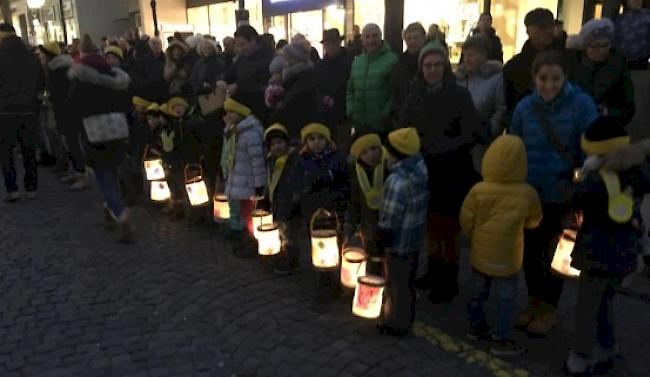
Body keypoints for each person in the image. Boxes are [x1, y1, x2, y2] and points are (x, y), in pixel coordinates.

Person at [509, 50, 599, 336]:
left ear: (565, 78)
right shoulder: (525, 107)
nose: (548, 85)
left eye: (555, 78)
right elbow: (515, 143)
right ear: (535, 78)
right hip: (529, 190)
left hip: (562, 192)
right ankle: (533, 301)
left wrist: (582, 182)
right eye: (543, 78)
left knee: (554, 254)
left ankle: (548, 307)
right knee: (529, 252)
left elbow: (592, 147)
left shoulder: (581, 105)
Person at [564, 117, 649, 376]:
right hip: (622, 253)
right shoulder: (636, 173)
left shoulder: (593, 181)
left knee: (587, 308)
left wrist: (583, 173)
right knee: (605, 302)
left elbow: (573, 197)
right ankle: (607, 349)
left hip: (595, 252)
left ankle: (579, 358)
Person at [399, 41, 481, 304]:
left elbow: (471, 132)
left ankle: (448, 279)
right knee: (431, 226)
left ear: (445, 66)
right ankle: (433, 271)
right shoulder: (415, 94)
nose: (432, 69)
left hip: (453, 169)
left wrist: (442, 148)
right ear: (421, 68)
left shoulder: (459, 95)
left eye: (437, 65)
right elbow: (404, 125)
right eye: (427, 65)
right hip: (425, 169)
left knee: (449, 229)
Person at [460, 134, 542, 356]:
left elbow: (466, 220)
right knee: (506, 298)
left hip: (480, 253)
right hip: (509, 258)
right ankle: (501, 339)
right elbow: (534, 221)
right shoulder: (528, 193)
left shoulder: (479, 189)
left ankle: (475, 328)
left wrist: (472, 235)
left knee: (478, 290)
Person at [65, 34, 133, 241]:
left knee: (103, 176)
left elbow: (73, 106)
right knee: (111, 171)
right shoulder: (115, 76)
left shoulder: (80, 78)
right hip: (117, 129)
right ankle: (109, 211)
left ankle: (120, 213)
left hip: (94, 131)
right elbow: (125, 104)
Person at [375, 127, 428, 336]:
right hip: (414, 240)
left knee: (395, 284)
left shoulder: (396, 182)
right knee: (407, 282)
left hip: (397, 244)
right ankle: (407, 316)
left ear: (394, 154)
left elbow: (390, 218)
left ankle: (395, 322)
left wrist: (381, 241)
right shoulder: (421, 170)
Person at [0, 24, 44, 202]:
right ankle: (31, 187)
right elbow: (41, 81)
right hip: (29, 109)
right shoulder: (31, 56)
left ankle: (12, 189)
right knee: (29, 149)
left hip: (4, 110)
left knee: (5, 152)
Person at [567, 18, 635, 125]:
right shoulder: (570, 64)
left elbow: (627, 105)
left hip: (606, 127)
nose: (602, 51)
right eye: (596, 46)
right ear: (585, 47)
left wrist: (608, 113)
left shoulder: (618, 65)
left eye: (605, 45)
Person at [221, 96, 267, 254]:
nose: (227, 115)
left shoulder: (251, 134)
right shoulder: (231, 131)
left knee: (249, 214)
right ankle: (244, 235)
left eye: (231, 112)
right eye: (226, 112)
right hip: (236, 178)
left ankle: (253, 241)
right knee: (239, 210)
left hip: (248, 182)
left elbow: (258, 162)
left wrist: (259, 185)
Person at [37, 42, 84, 190]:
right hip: (65, 110)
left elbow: (60, 92)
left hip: (67, 111)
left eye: (43, 55)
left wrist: (47, 98)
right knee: (68, 143)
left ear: (49, 55)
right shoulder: (57, 68)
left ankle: (81, 174)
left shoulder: (58, 69)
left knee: (72, 143)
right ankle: (75, 171)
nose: (41, 58)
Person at [503, 8, 565, 116]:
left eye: (551, 26)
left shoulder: (567, 58)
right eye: (542, 27)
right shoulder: (514, 66)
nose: (549, 30)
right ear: (528, 31)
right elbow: (509, 104)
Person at [344, 133, 388, 274]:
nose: (371, 155)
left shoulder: (388, 167)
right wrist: (350, 227)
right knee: (372, 253)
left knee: (388, 255)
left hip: (388, 220)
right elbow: (353, 202)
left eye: (374, 149)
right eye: (364, 152)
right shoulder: (356, 173)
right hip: (368, 222)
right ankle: (373, 278)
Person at [263, 124, 303, 275]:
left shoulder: (294, 160)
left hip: (291, 204)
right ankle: (283, 255)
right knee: (281, 232)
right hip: (278, 203)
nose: (277, 147)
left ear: (287, 143)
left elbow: (297, 183)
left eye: (280, 142)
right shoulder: (272, 160)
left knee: (291, 235)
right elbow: (271, 180)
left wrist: (295, 201)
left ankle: (293, 261)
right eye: (273, 144)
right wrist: (267, 197)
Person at [347, 24, 398, 136]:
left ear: (381, 37)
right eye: (367, 36)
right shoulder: (357, 62)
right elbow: (350, 89)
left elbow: (396, 92)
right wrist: (351, 109)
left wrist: (386, 113)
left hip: (382, 127)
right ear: (362, 39)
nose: (371, 40)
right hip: (359, 124)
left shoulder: (392, 60)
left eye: (374, 36)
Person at [456, 34, 506, 142]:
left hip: (483, 141)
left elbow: (501, 109)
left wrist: (490, 131)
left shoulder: (496, 78)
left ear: (483, 55)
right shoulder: (460, 78)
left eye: (471, 55)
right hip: (459, 139)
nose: (467, 59)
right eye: (465, 55)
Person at [268, 41, 319, 142]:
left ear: (293, 61)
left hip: (297, 133)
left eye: (286, 60)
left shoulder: (302, 81)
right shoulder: (295, 78)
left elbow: (287, 109)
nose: (284, 64)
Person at [225, 25, 274, 122]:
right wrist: (222, 80)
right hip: (242, 110)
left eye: (243, 44)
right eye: (238, 45)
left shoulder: (269, 57)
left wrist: (239, 87)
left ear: (253, 40)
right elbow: (230, 74)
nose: (240, 49)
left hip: (261, 112)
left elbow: (265, 86)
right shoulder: (243, 58)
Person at [315, 29, 353, 148]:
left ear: (339, 43)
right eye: (328, 44)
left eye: (334, 43)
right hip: (325, 115)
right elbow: (316, 87)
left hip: (343, 114)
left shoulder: (350, 62)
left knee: (342, 147)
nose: (331, 47)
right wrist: (323, 98)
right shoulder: (319, 65)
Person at [391, 22, 427, 117]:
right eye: (409, 38)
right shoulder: (400, 62)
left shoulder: (433, 59)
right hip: (405, 115)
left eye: (415, 38)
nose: (412, 41)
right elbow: (395, 90)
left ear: (424, 38)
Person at [614, 0, 650, 70]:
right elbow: (616, 38)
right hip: (624, 60)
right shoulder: (620, 19)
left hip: (643, 59)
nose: (637, 1)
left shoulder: (648, 16)